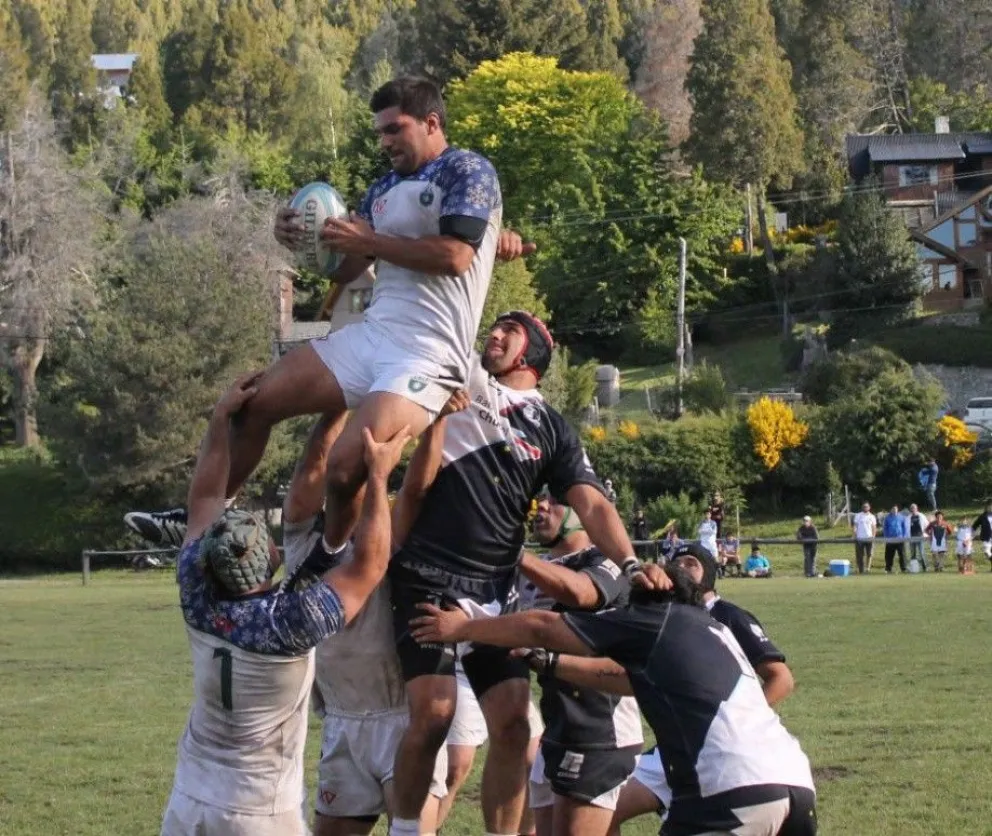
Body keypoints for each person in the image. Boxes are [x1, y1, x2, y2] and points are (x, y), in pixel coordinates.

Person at [220, 76, 507, 579]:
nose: (385, 142)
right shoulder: (381, 189)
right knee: (252, 403)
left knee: (347, 465)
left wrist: (372, 238)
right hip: (374, 334)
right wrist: (305, 240)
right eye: (379, 133)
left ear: (432, 122)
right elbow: (348, 270)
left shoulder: (468, 170)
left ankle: (322, 565)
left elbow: (455, 256)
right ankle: (210, 522)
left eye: (394, 129)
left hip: (429, 353)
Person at [385, 311, 642, 836]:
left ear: (535, 353)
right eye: (493, 327)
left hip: (494, 591)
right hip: (428, 575)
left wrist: (632, 564)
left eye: (509, 329)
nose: (493, 335)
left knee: (513, 724)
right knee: (434, 717)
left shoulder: (552, 428)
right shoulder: (470, 382)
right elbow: (449, 304)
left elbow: (592, 506)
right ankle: (406, 830)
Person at [160, 374, 412, 836]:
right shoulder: (287, 626)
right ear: (270, 561)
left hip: (190, 799)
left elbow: (206, 496)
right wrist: (378, 477)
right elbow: (370, 565)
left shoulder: (196, 594)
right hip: (259, 810)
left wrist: (220, 420)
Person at [409, 563, 817, 836]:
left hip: (729, 789)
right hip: (796, 784)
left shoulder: (655, 620)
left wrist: (465, 626)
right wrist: (551, 664)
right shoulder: (708, 630)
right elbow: (625, 678)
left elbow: (543, 625)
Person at [609, 544, 797, 835]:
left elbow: (781, 678)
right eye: (675, 563)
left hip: (723, 750)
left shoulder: (728, 615)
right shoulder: (664, 619)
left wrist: (735, 721)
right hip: (677, 749)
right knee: (603, 809)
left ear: (709, 575)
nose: (681, 568)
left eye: (691, 563)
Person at [517, 492, 643, 836]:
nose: (540, 507)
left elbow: (580, 593)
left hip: (599, 731)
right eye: (538, 500)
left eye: (554, 500)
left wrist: (512, 553)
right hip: (557, 726)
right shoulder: (535, 566)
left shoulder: (607, 559)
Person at [882, 505, 909, 574]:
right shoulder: (887, 518)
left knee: (902, 554)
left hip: (900, 539)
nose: (894, 510)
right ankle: (888, 569)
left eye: (895, 509)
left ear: (897, 510)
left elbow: (904, 527)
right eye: (893, 509)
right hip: (890, 539)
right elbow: (885, 528)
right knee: (889, 555)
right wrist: (886, 537)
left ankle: (904, 568)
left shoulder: (902, 517)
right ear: (891, 510)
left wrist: (904, 536)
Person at [852, 502, 877, 574]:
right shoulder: (858, 515)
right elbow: (855, 526)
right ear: (862, 507)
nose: (865, 508)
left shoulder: (872, 516)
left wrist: (873, 536)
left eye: (866, 506)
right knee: (859, 555)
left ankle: (868, 568)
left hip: (869, 538)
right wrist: (854, 534)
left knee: (869, 554)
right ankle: (860, 569)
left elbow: (874, 527)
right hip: (860, 538)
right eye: (864, 506)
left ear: (869, 508)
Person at [970, 503, 992, 572]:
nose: (990, 508)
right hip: (986, 537)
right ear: (986, 508)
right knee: (986, 552)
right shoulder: (982, 516)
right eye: (989, 507)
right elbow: (974, 526)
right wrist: (970, 534)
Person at [907, 504, 930, 572]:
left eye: (914, 508)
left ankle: (925, 567)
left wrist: (925, 533)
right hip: (911, 537)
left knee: (921, 552)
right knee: (913, 553)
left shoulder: (921, 516)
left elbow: (927, 525)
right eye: (912, 508)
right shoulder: (908, 517)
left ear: (917, 509)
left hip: (920, 537)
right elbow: (906, 527)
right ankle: (913, 568)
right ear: (910, 509)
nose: (913, 509)